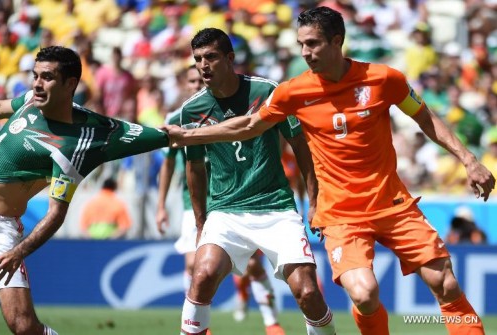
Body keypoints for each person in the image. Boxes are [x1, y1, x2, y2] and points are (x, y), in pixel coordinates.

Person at [166, 7, 495, 335]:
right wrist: (187, 135)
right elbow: (249, 126)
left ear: (337, 41)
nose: (306, 53)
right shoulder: (292, 92)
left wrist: (469, 160)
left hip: (393, 204)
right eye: (301, 45)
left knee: (445, 282)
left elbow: (424, 117)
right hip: (341, 213)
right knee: (365, 294)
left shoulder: (384, 79)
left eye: (313, 44)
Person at [0, 46, 169, 335]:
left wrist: (18, 252)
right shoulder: (29, 102)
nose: (37, 83)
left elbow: (56, 214)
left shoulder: (75, 143)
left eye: (47, 77)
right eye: (35, 75)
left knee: (24, 326)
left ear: (70, 83)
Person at [174, 28, 335, 335]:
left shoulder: (266, 91)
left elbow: (302, 147)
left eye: (211, 57)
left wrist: (315, 201)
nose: (203, 65)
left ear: (230, 58)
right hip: (225, 211)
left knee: (308, 292)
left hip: (275, 208)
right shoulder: (192, 110)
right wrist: (199, 223)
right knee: (202, 275)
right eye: (198, 59)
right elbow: (194, 169)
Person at [156, 65, 285, 330]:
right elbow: (168, 165)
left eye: (197, 81)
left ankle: (271, 322)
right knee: (194, 265)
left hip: (230, 199)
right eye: (190, 81)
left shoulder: (226, 110)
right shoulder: (178, 116)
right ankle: (200, 325)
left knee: (252, 267)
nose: (195, 85)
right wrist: (160, 206)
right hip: (191, 202)